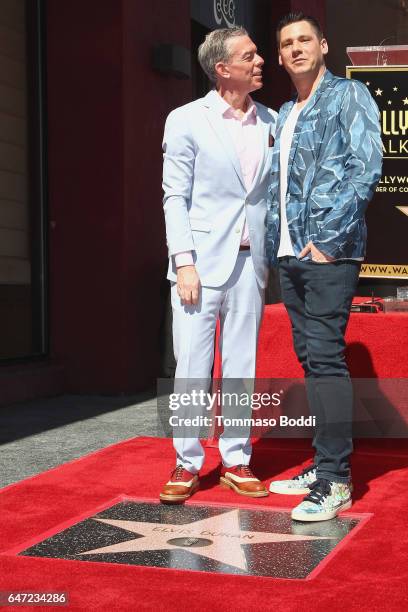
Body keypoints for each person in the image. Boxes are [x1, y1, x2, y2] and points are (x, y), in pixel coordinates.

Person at [266, 12, 382, 521]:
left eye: (304, 40)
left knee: (327, 359)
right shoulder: (286, 110)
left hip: (328, 254)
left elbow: (366, 167)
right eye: (287, 43)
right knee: (311, 360)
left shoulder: (348, 96)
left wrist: (329, 243)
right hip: (290, 255)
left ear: (324, 45)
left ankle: (336, 481)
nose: (296, 48)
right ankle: (323, 462)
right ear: (279, 55)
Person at [160, 27, 277, 503]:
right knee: (192, 365)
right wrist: (183, 262)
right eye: (249, 56)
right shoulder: (187, 119)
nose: (261, 61)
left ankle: (236, 459)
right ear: (222, 68)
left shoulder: (273, 120)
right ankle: (187, 462)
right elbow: (174, 197)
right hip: (199, 266)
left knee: (242, 366)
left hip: (252, 265)